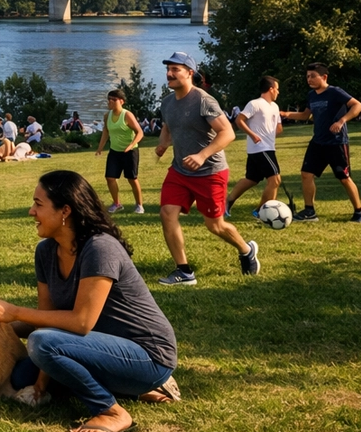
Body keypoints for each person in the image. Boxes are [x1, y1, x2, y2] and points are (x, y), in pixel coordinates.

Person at [0, 171, 180, 432]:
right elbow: (46, 316)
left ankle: (110, 410)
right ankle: (131, 389)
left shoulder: (100, 248)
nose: (31, 211)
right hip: (96, 347)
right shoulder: (45, 252)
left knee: (42, 344)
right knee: (21, 378)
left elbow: (81, 322)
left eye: (38, 205)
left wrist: (14, 311)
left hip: (148, 355)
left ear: (65, 210)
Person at [154, 52, 258, 286]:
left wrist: (202, 155)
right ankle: (184, 271)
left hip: (210, 172)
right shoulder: (167, 102)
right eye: (168, 69)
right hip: (180, 171)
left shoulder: (203, 100)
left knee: (215, 225)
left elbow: (228, 132)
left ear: (190, 73)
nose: (169, 74)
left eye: (175, 69)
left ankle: (245, 249)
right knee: (167, 213)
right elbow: (168, 127)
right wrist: (163, 143)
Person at [279, 63, 361, 223]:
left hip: (337, 142)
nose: (309, 79)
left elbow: (358, 106)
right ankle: (309, 211)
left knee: (344, 178)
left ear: (324, 77)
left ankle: (360, 213)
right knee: (306, 174)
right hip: (318, 142)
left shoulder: (335, 92)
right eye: (307, 76)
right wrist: (284, 114)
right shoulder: (312, 95)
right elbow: (306, 115)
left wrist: (341, 121)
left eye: (313, 76)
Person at [225, 76, 284, 219]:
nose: (278, 92)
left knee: (251, 179)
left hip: (268, 148)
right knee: (275, 180)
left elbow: (279, 128)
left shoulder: (275, 107)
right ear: (271, 89)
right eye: (277, 89)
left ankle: (226, 203)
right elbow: (240, 120)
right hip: (260, 148)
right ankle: (261, 211)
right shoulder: (255, 104)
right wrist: (253, 135)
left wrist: (271, 132)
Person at [95, 90, 146, 214]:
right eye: (109, 99)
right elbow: (106, 132)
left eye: (113, 99)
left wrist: (131, 145)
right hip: (115, 151)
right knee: (110, 177)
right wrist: (100, 148)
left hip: (130, 151)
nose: (110, 101)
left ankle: (139, 205)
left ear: (121, 101)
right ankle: (117, 203)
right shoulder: (107, 116)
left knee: (132, 179)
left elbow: (140, 132)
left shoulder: (127, 115)